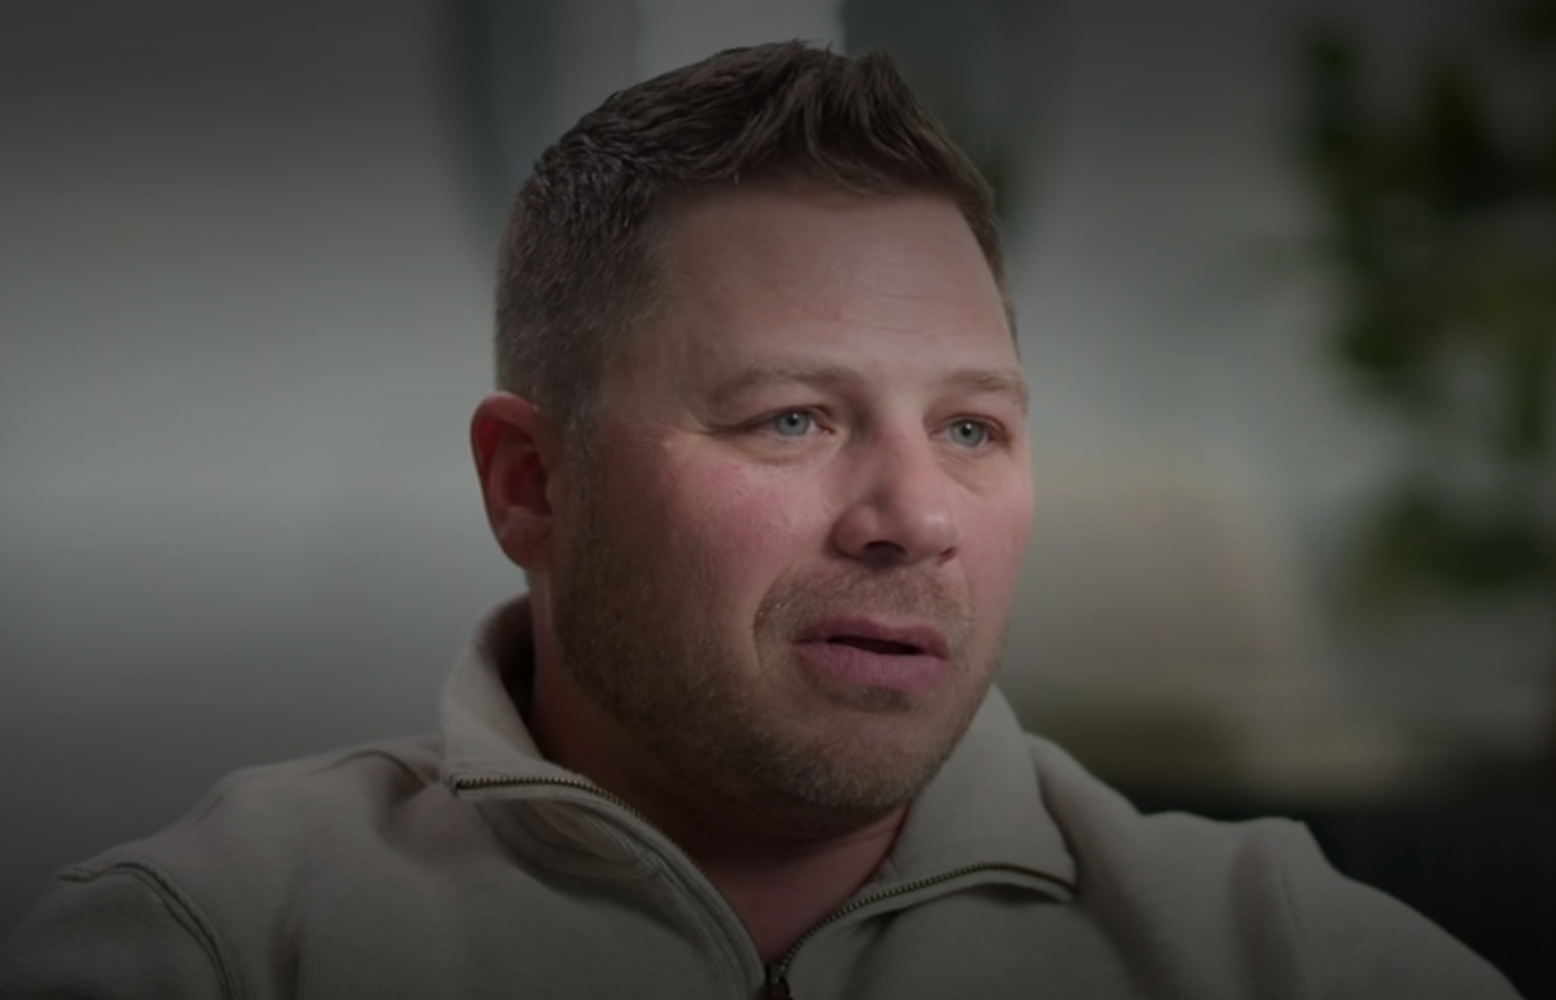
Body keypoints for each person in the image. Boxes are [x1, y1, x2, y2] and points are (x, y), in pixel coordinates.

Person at [0, 41, 1523, 1000]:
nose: (917, 516)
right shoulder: (209, 945)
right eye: (792, 417)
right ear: (532, 485)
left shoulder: (1280, 949)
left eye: (975, 428)